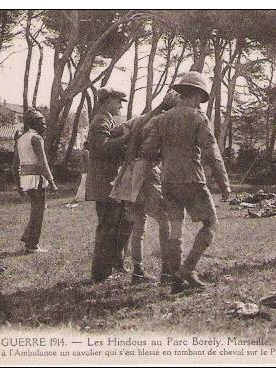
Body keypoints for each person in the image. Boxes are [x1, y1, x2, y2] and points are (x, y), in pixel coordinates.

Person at [139, 72, 231, 292]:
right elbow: (212, 153)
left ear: (180, 93)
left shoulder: (161, 119)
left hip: (168, 181)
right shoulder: (199, 118)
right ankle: (187, 269)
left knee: (176, 229)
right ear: (198, 96)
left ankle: (176, 280)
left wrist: (167, 156)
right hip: (192, 180)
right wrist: (224, 184)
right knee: (211, 224)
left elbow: (148, 149)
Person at [111, 91, 180, 285]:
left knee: (138, 224)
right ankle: (166, 271)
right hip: (148, 171)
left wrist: (128, 147)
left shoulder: (140, 119)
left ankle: (138, 271)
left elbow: (116, 132)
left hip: (130, 171)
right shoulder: (165, 121)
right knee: (164, 219)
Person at [86, 87, 132, 283]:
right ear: (106, 101)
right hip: (105, 183)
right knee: (107, 228)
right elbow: (103, 148)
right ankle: (100, 273)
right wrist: (128, 137)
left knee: (118, 224)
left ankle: (114, 265)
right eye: (118, 101)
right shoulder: (101, 120)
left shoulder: (106, 119)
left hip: (110, 182)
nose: (121, 105)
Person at [12, 108, 58, 253]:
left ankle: (28, 237)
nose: (44, 126)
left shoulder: (21, 139)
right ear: (34, 123)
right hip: (36, 179)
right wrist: (51, 182)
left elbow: (14, 166)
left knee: (36, 209)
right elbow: (43, 163)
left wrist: (18, 184)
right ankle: (32, 245)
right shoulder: (36, 138)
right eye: (42, 123)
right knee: (39, 211)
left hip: (26, 179)